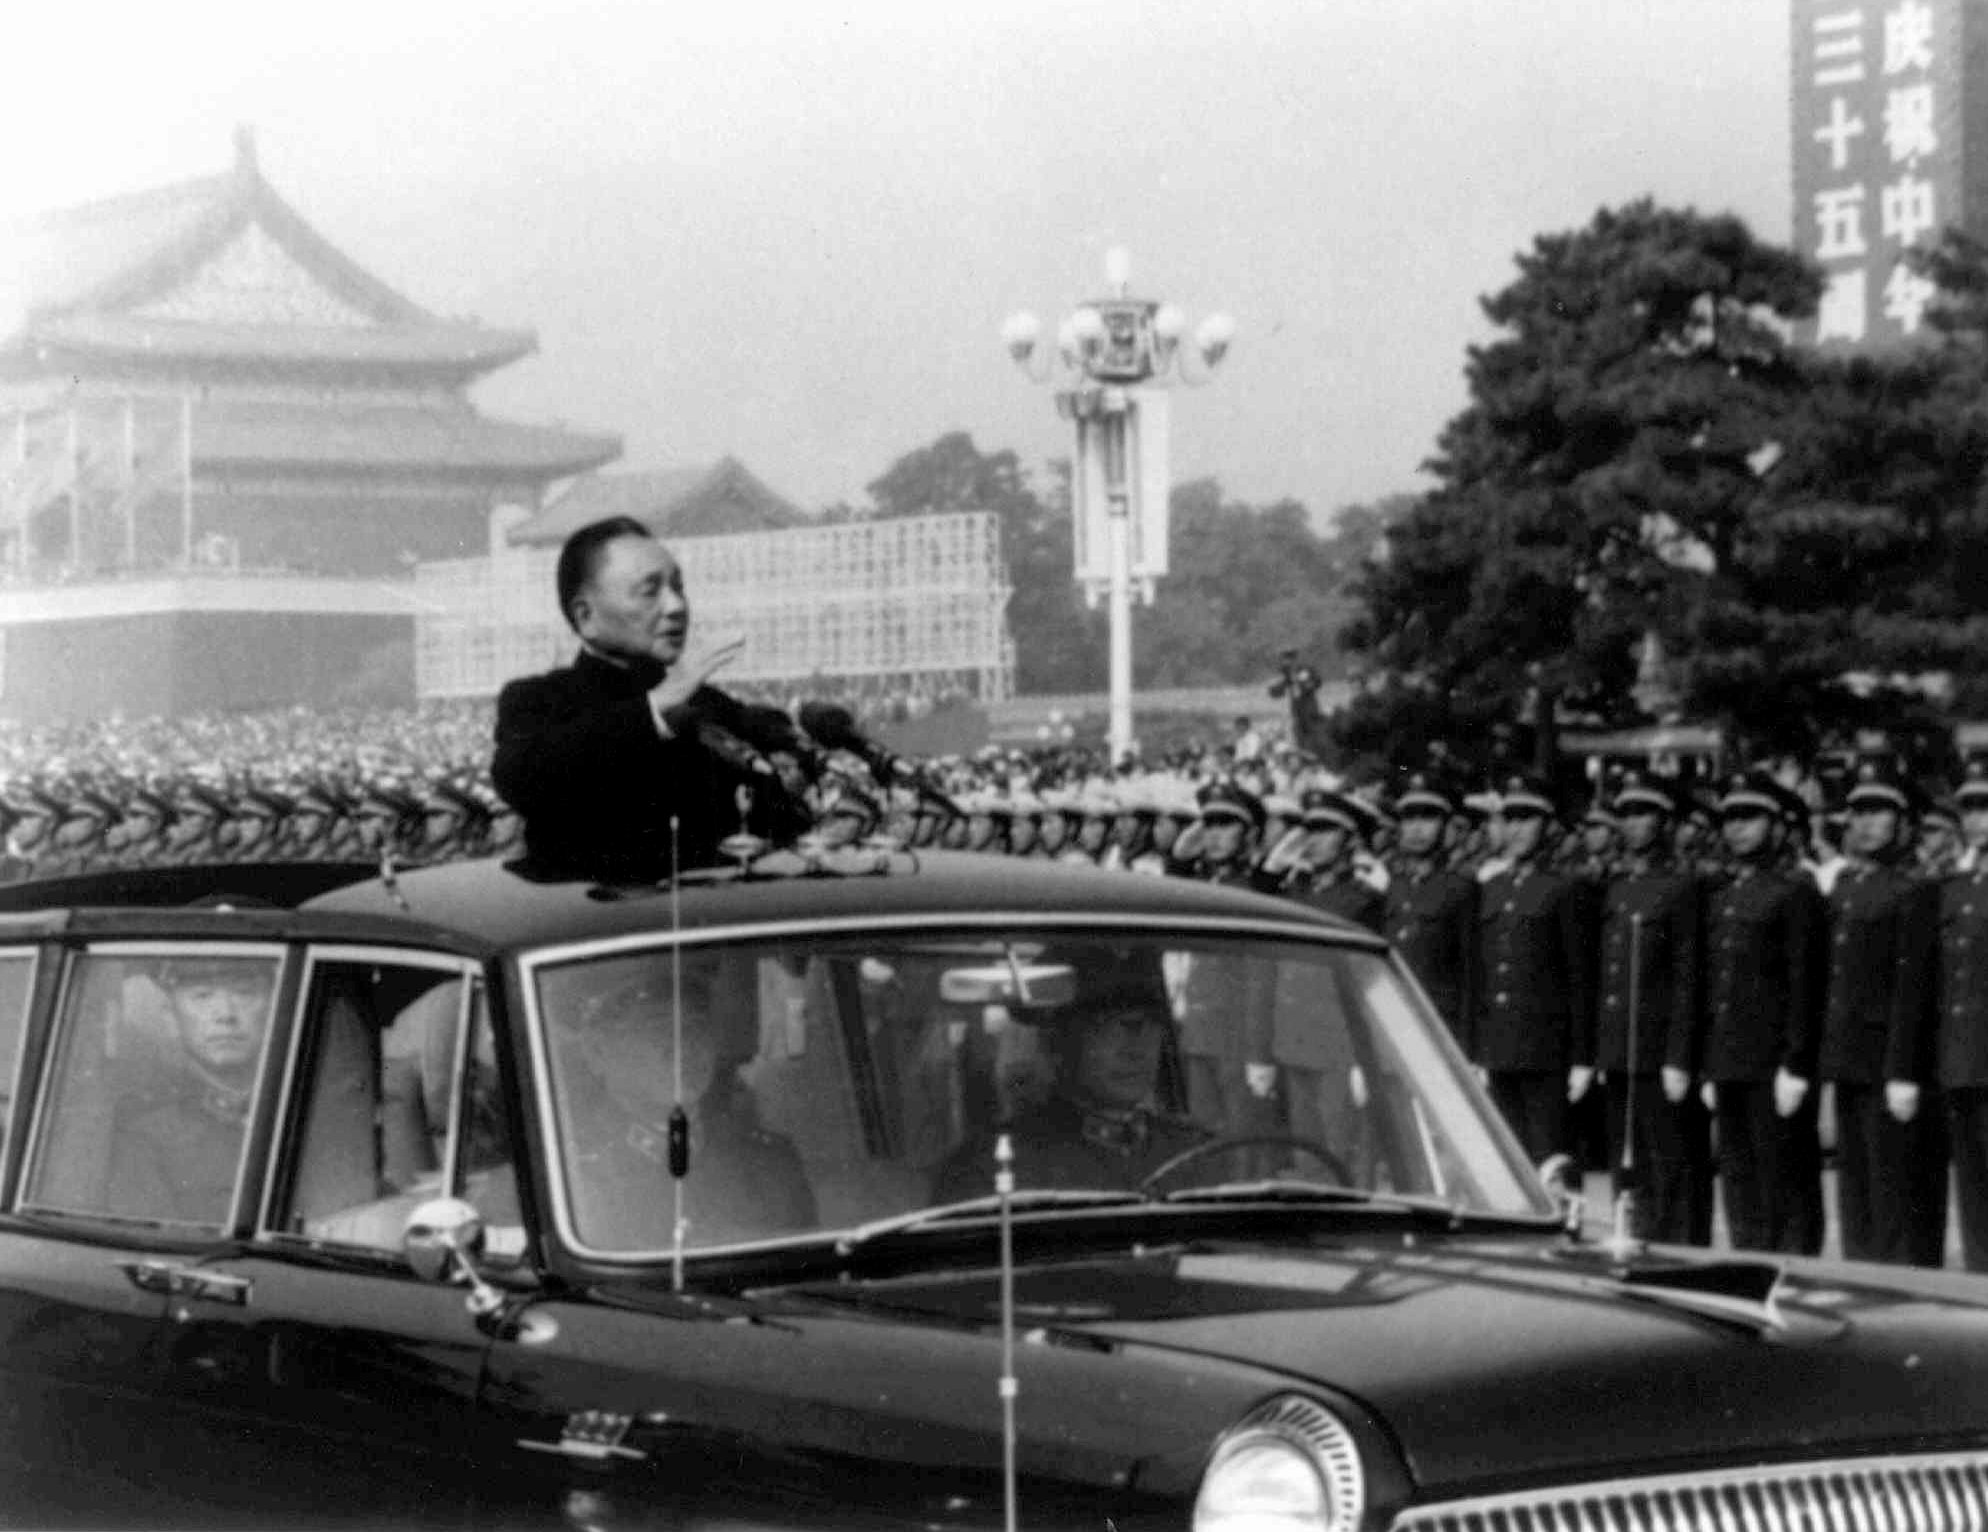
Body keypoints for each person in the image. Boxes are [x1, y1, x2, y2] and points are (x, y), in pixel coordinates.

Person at [491, 516, 809, 879]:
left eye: (678, 587)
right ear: (586, 616)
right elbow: (522, 776)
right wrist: (655, 710)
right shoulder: (539, 700)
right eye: (650, 591)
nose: (676, 607)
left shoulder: (711, 706)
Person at [556, 963, 815, 1249]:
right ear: (598, 1051)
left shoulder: (769, 1163)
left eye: (695, 1025)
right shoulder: (572, 1177)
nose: (683, 1046)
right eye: (658, 1028)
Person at [932, 964, 1210, 1200]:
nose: (1136, 1049)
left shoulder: (1197, 1153)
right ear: (1058, 1042)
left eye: (1151, 1025)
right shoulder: (998, 1166)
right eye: (1108, 1026)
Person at [1819, 757, 1946, 1266]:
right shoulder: (1848, 886)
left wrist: (1902, 1070)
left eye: (1879, 812)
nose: (1865, 823)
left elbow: (1911, 987)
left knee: (1898, 1193)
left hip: (1891, 1063)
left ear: (1905, 822)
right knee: (1857, 1192)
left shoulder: (1915, 890)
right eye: (1858, 812)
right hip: (1849, 1058)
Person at [1699, 769, 1825, 1255]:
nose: (1737, 828)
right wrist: (1712, 1063)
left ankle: (1795, 1279)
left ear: (1778, 826)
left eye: (1750, 817)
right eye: (1730, 818)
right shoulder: (1726, 897)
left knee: (1785, 1186)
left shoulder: (1795, 892)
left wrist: (1795, 1063)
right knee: (1740, 1185)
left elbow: (1803, 985)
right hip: (1731, 1062)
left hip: (1773, 1065)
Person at [1585, 772, 1711, 1244]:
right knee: (1627, 1167)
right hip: (1621, 1051)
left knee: (1670, 1168)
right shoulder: (1616, 886)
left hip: (1660, 1053)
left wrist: (1679, 1057)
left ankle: (1676, 1252)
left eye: (1645, 813)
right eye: (1627, 813)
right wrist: (1603, 1050)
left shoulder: (1680, 887)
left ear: (1666, 820)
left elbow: (1687, 977)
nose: (1634, 823)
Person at [1475, 774, 1596, 1165]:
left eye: (1527, 818)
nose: (1516, 829)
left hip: (1546, 1050)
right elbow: (1483, 973)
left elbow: (1580, 979)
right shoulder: (1491, 889)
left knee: (1549, 1160)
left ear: (1548, 825)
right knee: (1505, 1160)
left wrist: (1581, 1057)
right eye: (1509, 819)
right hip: (1498, 1047)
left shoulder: (1564, 889)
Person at [107, 956, 277, 1225]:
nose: (225, 1015)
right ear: (171, 1018)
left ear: (274, 1009)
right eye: (202, 996)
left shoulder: (313, 1108)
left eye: (244, 993)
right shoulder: (143, 1130)